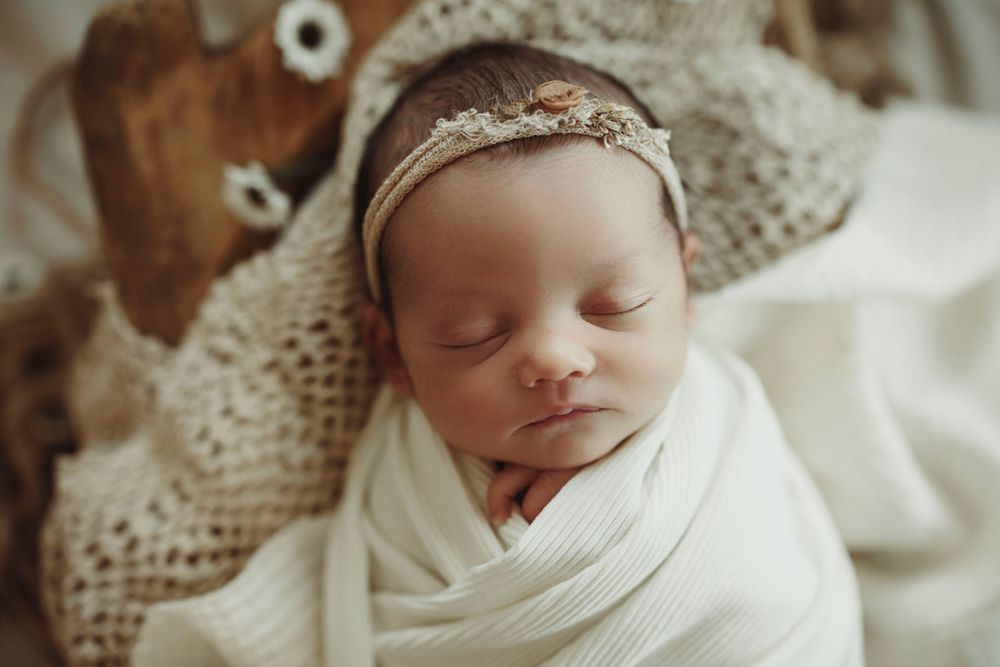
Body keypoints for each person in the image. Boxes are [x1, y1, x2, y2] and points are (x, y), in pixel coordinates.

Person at [131, 43, 861, 666]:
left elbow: (773, 593)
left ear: (685, 282)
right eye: (475, 333)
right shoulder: (402, 494)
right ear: (392, 354)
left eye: (612, 306)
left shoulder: (723, 425)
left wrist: (609, 504)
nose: (554, 356)